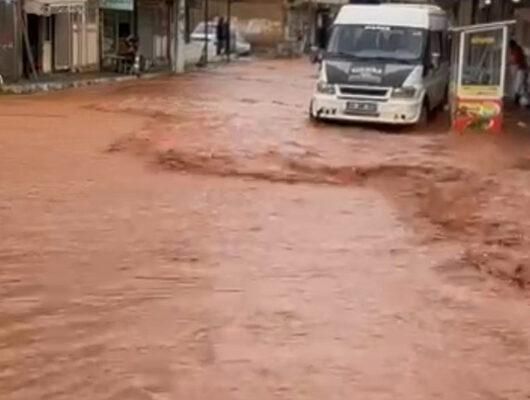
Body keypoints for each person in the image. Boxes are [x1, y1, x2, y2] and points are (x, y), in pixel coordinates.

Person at [509, 39, 528, 104]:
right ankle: (518, 98)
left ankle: (518, 98)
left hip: (521, 69)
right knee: (520, 84)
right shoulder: (516, 50)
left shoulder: (517, 50)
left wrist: (512, 63)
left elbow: (517, 59)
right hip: (521, 68)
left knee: (519, 84)